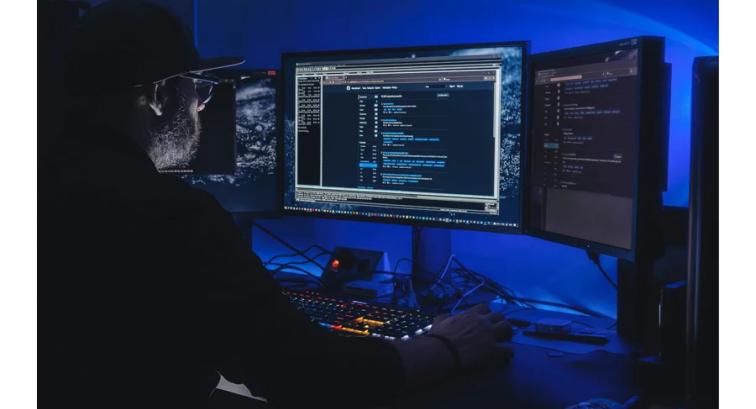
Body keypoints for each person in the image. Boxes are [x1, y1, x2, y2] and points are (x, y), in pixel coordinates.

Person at [38, 1, 513, 408]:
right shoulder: (169, 216)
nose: (201, 105)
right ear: (161, 95)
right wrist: (445, 346)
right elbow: (306, 375)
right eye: (197, 88)